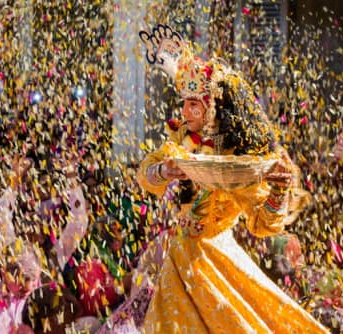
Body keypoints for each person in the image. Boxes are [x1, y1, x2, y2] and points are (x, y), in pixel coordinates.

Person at [136, 24, 328, 333]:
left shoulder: (238, 166)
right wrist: (163, 172)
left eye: (193, 103)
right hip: (179, 258)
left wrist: (278, 190)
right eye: (184, 102)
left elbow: (263, 225)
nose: (185, 110)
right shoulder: (182, 144)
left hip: (214, 261)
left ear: (213, 108)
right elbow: (146, 175)